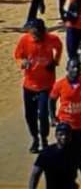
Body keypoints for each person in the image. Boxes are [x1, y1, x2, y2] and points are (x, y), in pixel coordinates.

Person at [14, 18, 62, 152]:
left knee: (43, 114)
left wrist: (55, 61)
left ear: (43, 32)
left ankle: (44, 139)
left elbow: (59, 46)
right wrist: (22, 63)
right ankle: (35, 138)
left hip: (46, 85)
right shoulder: (25, 40)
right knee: (30, 115)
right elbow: (18, 55)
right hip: (29, 85)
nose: (35, 36)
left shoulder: (51, 39)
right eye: (33, 33)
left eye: (37, 33)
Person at [48, 57, 81, 189]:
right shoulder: (60, 84)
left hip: (79, 126)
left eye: (78, 68)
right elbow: (51, 100)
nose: (76, 70)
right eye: (73, 67)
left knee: (77, 154)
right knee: (63, 153)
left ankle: (73, 179)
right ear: (67, 69)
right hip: (64, 125)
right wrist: (52, 117)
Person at [28, 122, 81, 189]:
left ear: (71, 136)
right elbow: (35, 174)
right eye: (61, 134)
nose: (64, 137)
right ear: (56, 136)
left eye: (67, 134)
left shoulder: (77, 153)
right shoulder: (46, 153)